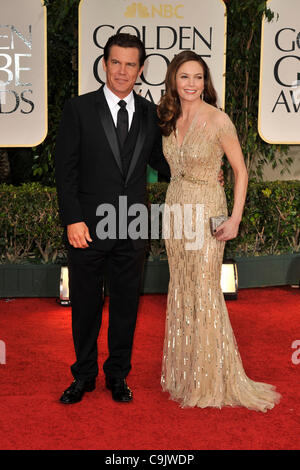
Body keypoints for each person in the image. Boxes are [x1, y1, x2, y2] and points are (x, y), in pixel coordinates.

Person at [157, 51, 281, 412]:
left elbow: (240, 172)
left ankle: (213, 376)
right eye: (184, 77)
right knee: (181, 287)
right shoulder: (168, 118)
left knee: (205, 291)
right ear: (173, 81)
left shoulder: (218, 120)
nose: (191, 84)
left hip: (207, 209)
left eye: (197, 77)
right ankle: (187, 373)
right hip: (175, 209)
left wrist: (235, 218)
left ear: (205, 81)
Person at [55, 33, 171, 404]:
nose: (122, 71)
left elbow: (159, 162)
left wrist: (197, 171)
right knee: (86, 306)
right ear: (104, 64)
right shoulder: (79, 109)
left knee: (126, 307)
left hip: (133, 224)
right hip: (87, 227)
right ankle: (84, 375)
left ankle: (117, 375)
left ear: (141, 69)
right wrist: (73, 219)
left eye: (130, 64)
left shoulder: (151, 114)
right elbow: (65, 170)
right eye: (116, 62)